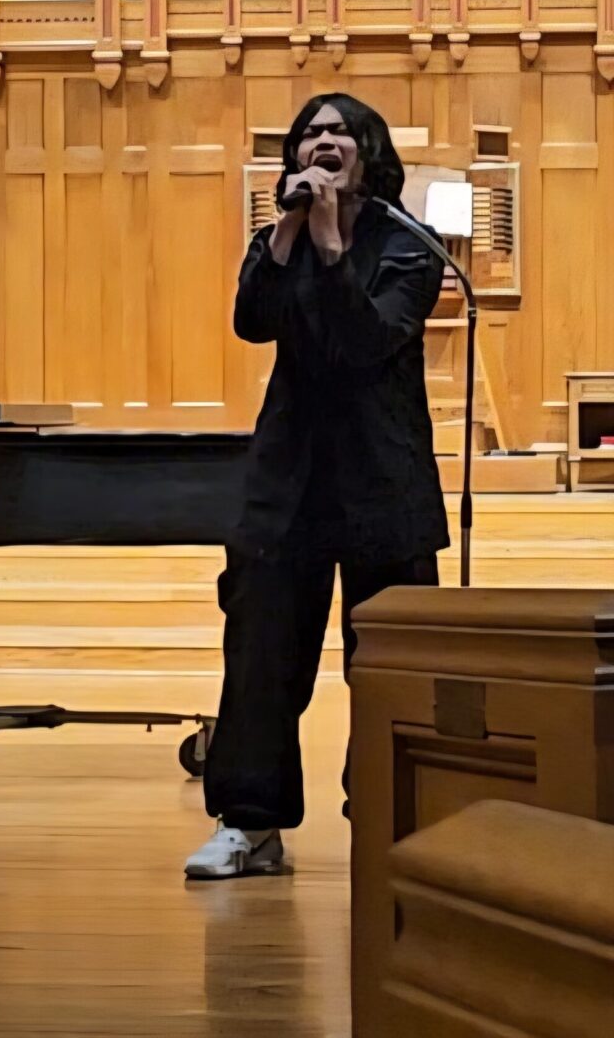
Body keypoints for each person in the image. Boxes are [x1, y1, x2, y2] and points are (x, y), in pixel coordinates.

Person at [185, 95, 448, 880]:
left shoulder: (411, 245)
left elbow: (364, 342)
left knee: (389, 663)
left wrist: (333, 244)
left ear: (369, 152)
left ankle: (388, 815)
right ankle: (251, 823)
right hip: (287, 480)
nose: (324, 141)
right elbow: (250, 320)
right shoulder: (282, 237)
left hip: (381, 478)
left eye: (339, 132)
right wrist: (295, 230)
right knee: (262, 653)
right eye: (310, 133)